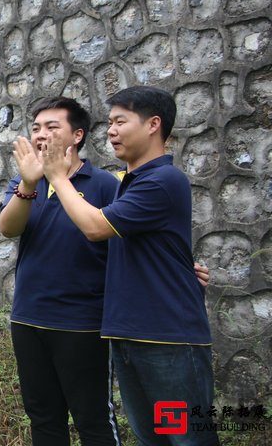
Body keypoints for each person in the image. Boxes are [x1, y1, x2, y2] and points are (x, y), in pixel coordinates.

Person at [40, 86, 218, 445]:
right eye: (109, 122)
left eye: (121, 121)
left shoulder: (164, 179)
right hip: (128, 333)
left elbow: (95, 228)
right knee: (151, 438)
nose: (110, 130)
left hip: (168, 337)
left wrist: (58, 177)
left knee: (187, 440)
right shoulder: (129, 184)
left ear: (154, 124)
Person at [0, 97, 121, 446]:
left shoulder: (104, 184)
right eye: (36, 128)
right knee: (43, 417)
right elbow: (8, 228)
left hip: (83, 324)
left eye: (52, 127)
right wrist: (27, 185)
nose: (41, 135)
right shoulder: (26, 182)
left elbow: (128, 244)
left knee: (93, 418)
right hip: (28, 319)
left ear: (77, 135)